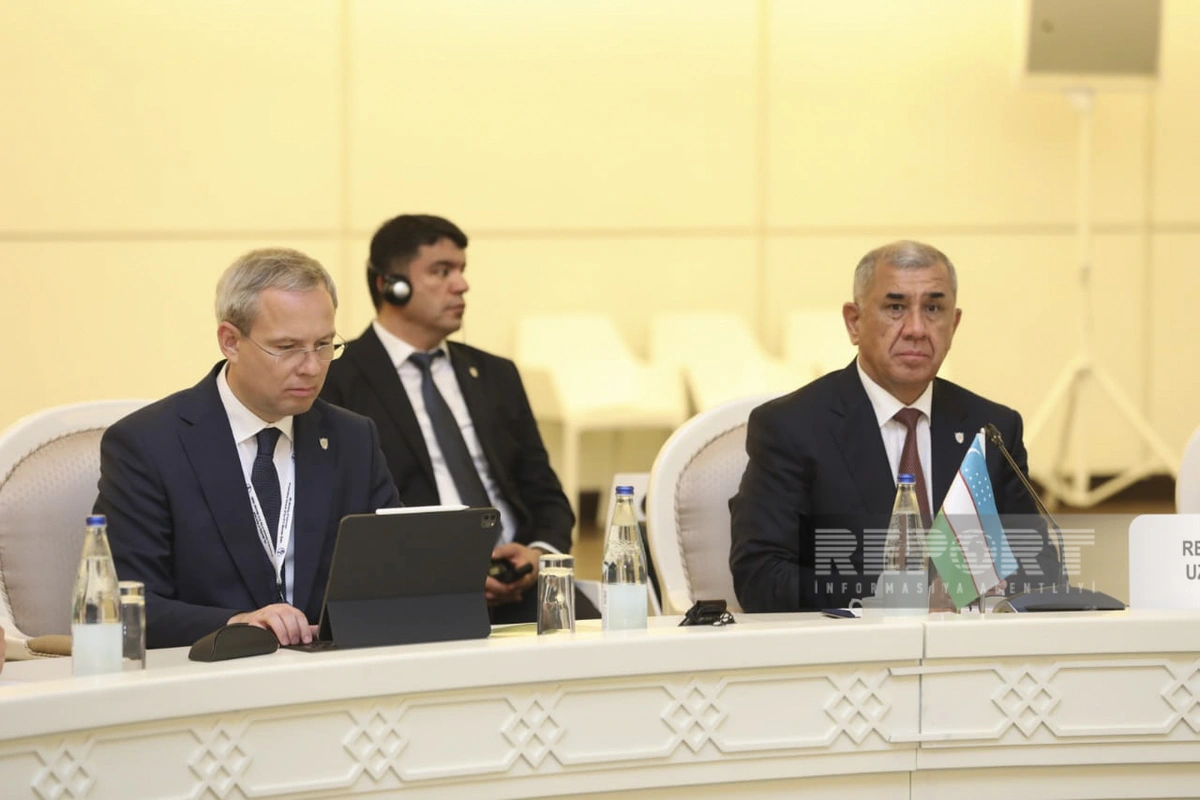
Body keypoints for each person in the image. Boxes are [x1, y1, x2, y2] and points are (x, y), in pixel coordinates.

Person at [729, 240, 1059, 612]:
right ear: (854, 322)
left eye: (933, 308)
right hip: (853, 644)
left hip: (970, 644)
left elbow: (1040, 567)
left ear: (954, 324)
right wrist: (902, 595)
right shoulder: (792, 428)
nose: (916, 329)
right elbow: (761, 578)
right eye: (895, 308)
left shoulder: (993, 429)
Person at [96, 249, 400, 648]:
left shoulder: (353, 439)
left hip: (332, 669)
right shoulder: (147, 445)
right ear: (231, 342)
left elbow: (394, 574)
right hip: (208, 671)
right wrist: (237, 623)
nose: (312, 367)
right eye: (287, 347)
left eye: (324, 345)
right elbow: (124, 603)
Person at [322, 214, 595, 624]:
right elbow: (340, 519)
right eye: (441, 271)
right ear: (390, 286)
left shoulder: (496, 375)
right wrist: (443, 571)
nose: (462, 285)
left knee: (602, 635)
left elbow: (545, 492)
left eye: (462, 270)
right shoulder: (338, 381)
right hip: (417, 594)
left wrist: (538, 553)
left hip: (521, 584)